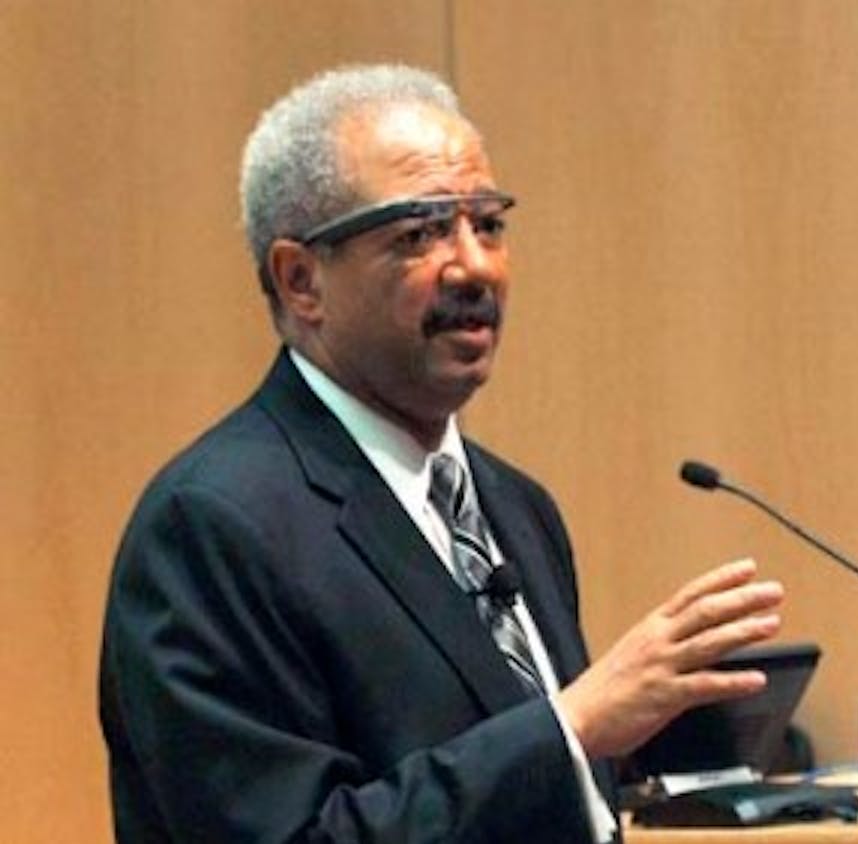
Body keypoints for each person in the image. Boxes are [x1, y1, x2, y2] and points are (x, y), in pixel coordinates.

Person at [98, 64, 784, 843]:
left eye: (487, 224)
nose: (475, 266)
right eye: (420, 233)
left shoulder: (515, 506)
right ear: (301, 281)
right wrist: (571, 728)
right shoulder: (212, 526)